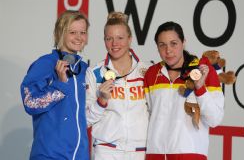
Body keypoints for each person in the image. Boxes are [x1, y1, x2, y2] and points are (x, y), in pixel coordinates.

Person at [144, 21, 225, 160]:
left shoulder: (204, 71)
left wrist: (200, 88)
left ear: (184, 42)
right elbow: (148, 115)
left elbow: (215, 119)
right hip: (155, 155)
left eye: (173, 43)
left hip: (190, 155)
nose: (168, 50)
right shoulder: (152, 73)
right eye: (162, 45)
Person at [20, 10, 90, 160]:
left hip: (80, 156)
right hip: (49, 155)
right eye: (72, 32)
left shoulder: (85, 70)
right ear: (60, 33)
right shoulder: (45, 64)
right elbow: (30, 103)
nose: (79, 37)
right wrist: (60, 85)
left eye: (82, 32)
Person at [85, 12, 149, 160]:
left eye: (120, 38)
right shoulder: (94, 73)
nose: (115, 44)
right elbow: (85, 120)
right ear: (104, 40)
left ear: (130, 39)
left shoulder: (147, 71)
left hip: (140, 152)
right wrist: (101, 102)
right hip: (106, 152)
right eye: (109, 38)